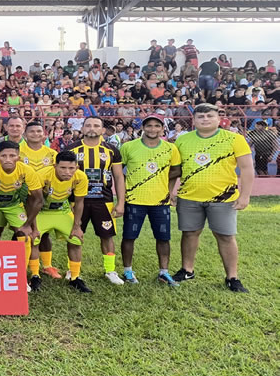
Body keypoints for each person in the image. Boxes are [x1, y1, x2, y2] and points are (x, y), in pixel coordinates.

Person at [173, 103, 254, 292]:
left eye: (209, 116)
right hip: (189, 197)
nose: (205, 119)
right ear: (194, 120)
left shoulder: (234, 139)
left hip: (223, 198)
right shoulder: (182, 140)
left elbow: (247, 168)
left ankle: (232, 277)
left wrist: (245, 196)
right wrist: (171, 191)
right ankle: (187, 270)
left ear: (219, 119)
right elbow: (175, 169)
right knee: (189, 233)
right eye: (201, 117)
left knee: (225, 236)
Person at [119, 114, 181, 286]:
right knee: (129, 236)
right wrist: (122, 196)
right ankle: (128, 271)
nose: (152, 129)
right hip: (134, 200)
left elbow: (176, 171)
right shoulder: (128, 147)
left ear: (162, 128)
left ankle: (164, 272)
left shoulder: (171, 149)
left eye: (156, 126)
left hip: (160, 202)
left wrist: (168, 190)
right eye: (149, 126)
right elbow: (118, 173)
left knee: (163, 237)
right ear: (143, 128)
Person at [69, 116, 126, 285]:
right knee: (74, 235)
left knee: (107, 236)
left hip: (104, 200)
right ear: (83, 128)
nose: (91, 128)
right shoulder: (71, 149)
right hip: (77, 200)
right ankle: (73, 271)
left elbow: (118, 177)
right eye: (88, 125)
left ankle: (110, 271)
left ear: (102, 130)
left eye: (96, 125)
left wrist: (121, 202)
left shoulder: (111, 150)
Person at [0, 141, 42, 275]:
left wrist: (28, 225)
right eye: (4, 156)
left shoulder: (26, 170)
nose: (8, 159)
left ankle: (21, 275)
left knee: (24, 235)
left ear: (18, 156)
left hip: (13, 206)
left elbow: (38, 199)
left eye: (12, 156)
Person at [29, 151, 90, 293]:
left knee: (76, 238)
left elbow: (80, 203)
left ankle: (75, 277)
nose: (67, 172)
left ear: (77, 167)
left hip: (62, 211)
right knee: (32, 239)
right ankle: (35, 275)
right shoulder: (42, 175)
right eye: (63, 168)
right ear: (55, 165)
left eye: (71, 168)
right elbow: (32, 202)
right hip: (42, 211)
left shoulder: (80, 177)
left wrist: (77, 226)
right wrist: (34, 227)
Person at [20, 120, 60, 277]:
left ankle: (47, 265)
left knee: (44, 233)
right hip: (21, 198)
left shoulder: (51, 154)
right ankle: (22, 265)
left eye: (39, 131)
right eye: (32, 132)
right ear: (25, 135)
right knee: (21, 232)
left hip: (43, 199)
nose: (36, 134)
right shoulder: (18, 151)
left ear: (44, 135)